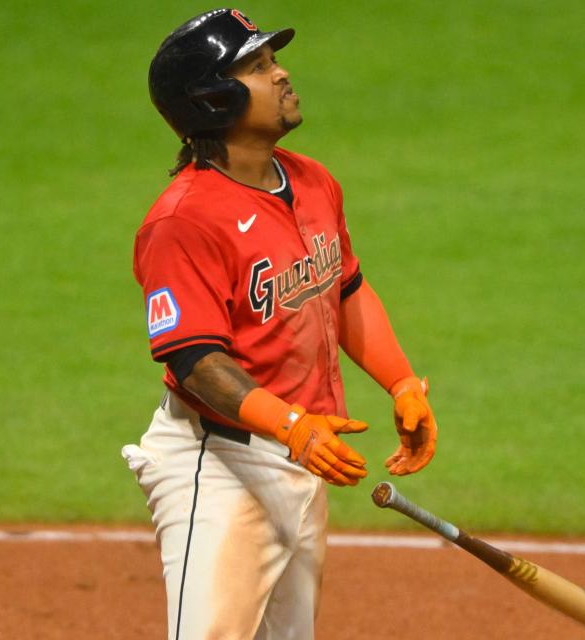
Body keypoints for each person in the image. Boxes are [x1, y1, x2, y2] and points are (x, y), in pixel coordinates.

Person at [120, 8, 438, 640]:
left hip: (301, 457)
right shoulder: (183, 221)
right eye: (258, 67)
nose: (281, 73)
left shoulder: (312, 179)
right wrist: (292, 428)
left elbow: (343, 288)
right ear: (214, 99)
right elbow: (195, 360)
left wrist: (401, 383)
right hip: (218, 465)